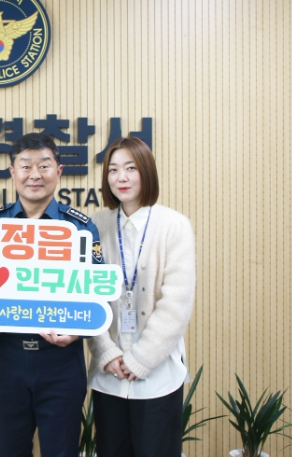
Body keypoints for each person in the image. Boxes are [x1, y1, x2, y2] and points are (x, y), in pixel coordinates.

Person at [0, 133, 103, 457]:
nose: (35, 175)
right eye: (25, 166)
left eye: (44, 166)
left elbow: (97, 293)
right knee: (9, 449)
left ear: (58, 171)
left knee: (62, 450)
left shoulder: (80, 228)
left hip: (61, 360)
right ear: (12, 172)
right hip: (6, 357)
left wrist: (78, 330)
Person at [88, 136, 196, 457]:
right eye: (113, 170)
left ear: (146, 172)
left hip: (158, 374)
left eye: (130, 168)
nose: (121, 177)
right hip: (109, 374)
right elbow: (87, 296)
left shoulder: (173, 225)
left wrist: (142, 359)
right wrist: (106, 351)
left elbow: (176, 304)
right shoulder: (96, 225)